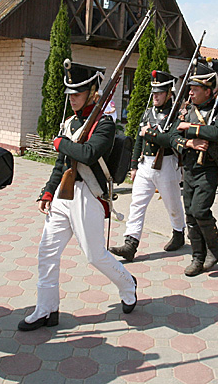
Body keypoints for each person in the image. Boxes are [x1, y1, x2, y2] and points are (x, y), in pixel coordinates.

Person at [19, 61, 137, 331]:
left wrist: (62, 142)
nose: (72, 99)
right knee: (46, 252)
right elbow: (61, 163)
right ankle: (46, 308)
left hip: (89, 194)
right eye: (70, 94)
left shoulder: (104, 124)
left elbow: (87, 154)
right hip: (64, 192)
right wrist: (48, 192)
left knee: (95, 256)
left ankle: (127, 283)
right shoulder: (71, 122)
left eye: (77, 94)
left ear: (93, 92)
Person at [153, 61, 218, 276]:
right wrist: (188, 142)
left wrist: (191, 128)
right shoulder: (186, 110)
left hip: (209, 167)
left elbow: (217, 133)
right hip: (188, 166)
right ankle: (197, 257)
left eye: (195, 89)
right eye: (190, 89)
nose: (191, 93)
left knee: (200, 210)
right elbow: (172, 136)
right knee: (190, 214)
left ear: (208, 90)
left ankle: (213, 250)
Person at [110, 70, 186, 262]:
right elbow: (138, 140)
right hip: (146, 164)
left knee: (173, 204)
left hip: (167, 164)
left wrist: (150, 134)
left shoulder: (177, 114)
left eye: (160, 92)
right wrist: (134, 165)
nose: (155, 96)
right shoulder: (148, 112)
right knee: (137, 203)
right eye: (154, 92)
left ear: (169, 93)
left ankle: (178, 232)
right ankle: (131, 243)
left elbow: (171, 140)